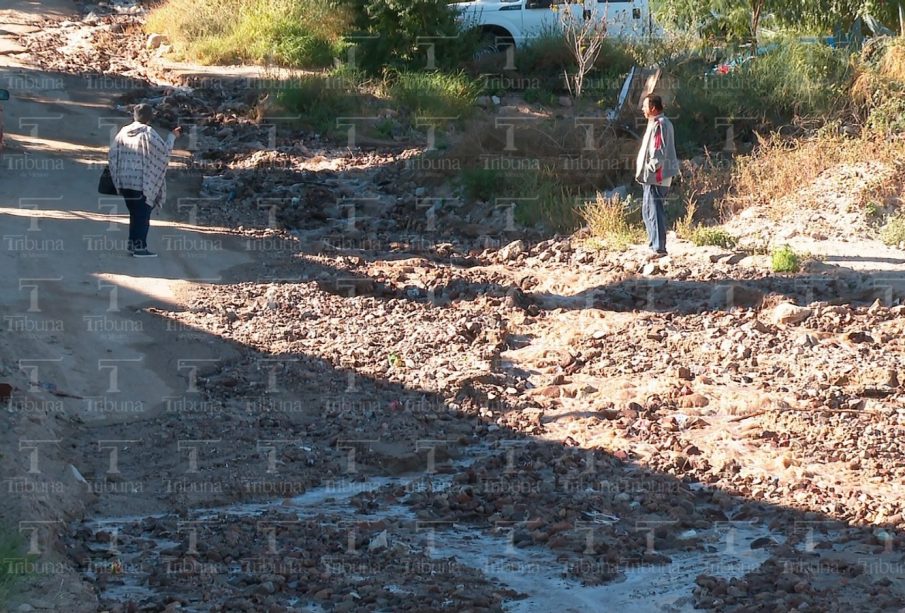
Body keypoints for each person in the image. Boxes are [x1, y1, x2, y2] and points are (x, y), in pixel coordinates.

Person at [108, 104, 181, 258]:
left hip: (125, 182)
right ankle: (140, 248)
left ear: (134, 115)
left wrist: (117, 177)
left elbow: (112, 154)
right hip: (142, 183)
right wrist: (172, 136)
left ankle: (132, 244)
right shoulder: (148, 133)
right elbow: (163, 153)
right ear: (150, 117)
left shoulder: (123, 131)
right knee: (142, 216)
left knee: (135, 213)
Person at [635, 93, 678, 257]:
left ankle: (659, 248)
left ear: (653, 108)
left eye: (645, 106)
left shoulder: (660, 124)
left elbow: (658, 153)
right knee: (648, 210)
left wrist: (649, 169)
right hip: (652, 176)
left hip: (656, 176)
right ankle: (654, 245)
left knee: (655, 211)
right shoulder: (657, 123)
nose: (643, 109)